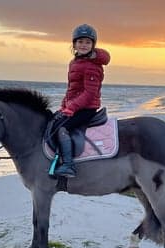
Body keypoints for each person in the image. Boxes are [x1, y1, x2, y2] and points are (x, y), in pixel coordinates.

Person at [53, 24, 110, 178]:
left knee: (62, 129)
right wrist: (64, 104)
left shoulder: (92, 65)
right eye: (80, 42)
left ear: (93, 45)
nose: (83, 45)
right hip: (76, 106)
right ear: (74, 44)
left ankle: (69, 165)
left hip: (87, 108)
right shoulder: (74, 62)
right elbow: (73, 88)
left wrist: (72, 107)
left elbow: (90, 93)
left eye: (87, 42)